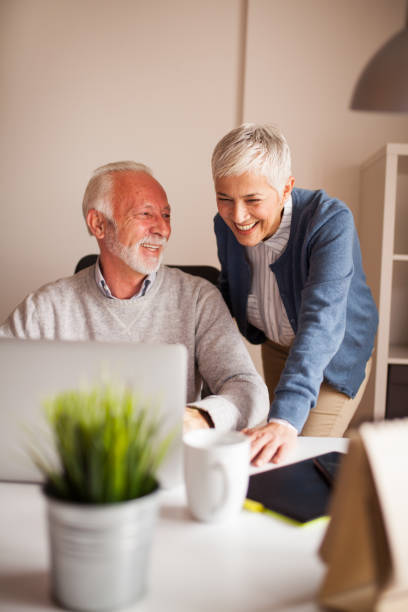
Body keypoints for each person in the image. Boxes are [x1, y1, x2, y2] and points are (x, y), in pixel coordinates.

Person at [0, 161, 269, 432]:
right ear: (98, 224)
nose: (162, 229)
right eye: (145, 214)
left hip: (169, 460)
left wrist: (198, 419)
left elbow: (248, 389)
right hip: (74, 465)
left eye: (166, 215)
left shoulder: (199, 299)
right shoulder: (45, 309)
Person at [212, 123, 378, 465]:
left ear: (286, 187)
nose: (237, 216)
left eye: (252, 200)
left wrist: (285, 419)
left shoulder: (329, 221)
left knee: (298, 456)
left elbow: (322, 321)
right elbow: (230, 285)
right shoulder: (223, 223)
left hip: (332, 354)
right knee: (272, 451)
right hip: (276, 345)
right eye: (224, 198)